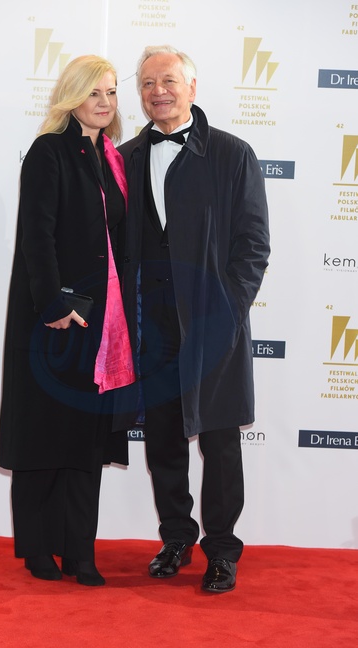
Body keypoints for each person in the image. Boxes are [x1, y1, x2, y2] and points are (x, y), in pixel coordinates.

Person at [118, 45, 270, 593]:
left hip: (213, 323)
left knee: (220, 441)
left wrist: (227, 309)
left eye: (168, 81)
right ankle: (176, 538)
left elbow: (253, 245)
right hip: (151, 324)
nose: (157, 91)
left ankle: (223, 550)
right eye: (147, 83)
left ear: (192, 87)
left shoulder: (232, 153)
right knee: (163, 439)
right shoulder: (126, 157)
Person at [0, 55, 135, 587]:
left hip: (101, 323)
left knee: (85, 437)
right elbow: (37, 235)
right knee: (44, 433)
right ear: (71, 97)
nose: (105, 102)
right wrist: (54, 306)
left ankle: (80, 552)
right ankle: (38, 549)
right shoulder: (49, 151)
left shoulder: (113, 158)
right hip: (53, 319)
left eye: (111, 92)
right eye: (93, 92)